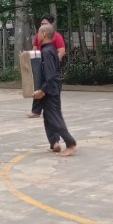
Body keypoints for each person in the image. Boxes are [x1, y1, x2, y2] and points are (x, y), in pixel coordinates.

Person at [33, 22, 77, 156]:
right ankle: (54, 142)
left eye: (39, 33)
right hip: (53, 87)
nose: (37, 35)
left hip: (50, 89)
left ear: (44, 34)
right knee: (48, 116)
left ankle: (71, 144)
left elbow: (50, 74)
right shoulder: (51, 49)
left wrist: (42, 90)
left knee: (54, 116)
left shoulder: (46, 52)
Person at [28, 14, 65, 118]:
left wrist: (52, 62)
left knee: (49, 85)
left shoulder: (57, 37)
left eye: (45, 24)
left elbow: (61, 51)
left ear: (50, 25)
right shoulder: (38, 36)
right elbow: (34, 49)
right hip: (40, 64)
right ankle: (36, 111)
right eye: (41, 24)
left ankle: (53, 110)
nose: (42, 25)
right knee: (39, 86)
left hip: (49, 64)